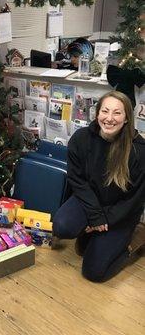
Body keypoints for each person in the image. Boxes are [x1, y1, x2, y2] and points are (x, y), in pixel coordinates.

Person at [53, 90, 145, 282]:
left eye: (117, 113)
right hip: (91, 200)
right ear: (97, 114)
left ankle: (135, 240)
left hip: (121, 213)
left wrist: (104, 221)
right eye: (105, 111)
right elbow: (77, 180)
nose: (109, 118)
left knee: (94, 273)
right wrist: (95, 217)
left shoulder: (139, 150)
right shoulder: (81, 139)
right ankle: (91, 234)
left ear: (127, 118)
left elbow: (134, 201)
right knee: (62, 226)